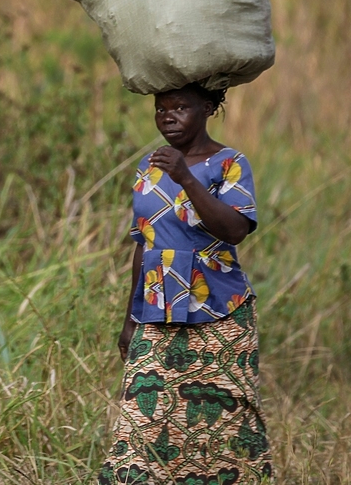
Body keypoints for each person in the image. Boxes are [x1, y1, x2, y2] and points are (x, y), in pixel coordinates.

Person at [99, 83, 271, 484]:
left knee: (225, 425)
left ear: (208, 108)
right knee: (141, 420)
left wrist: (186, 177)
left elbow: (234, 229)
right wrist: (130, 319)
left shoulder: (229, 163)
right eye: (161, 109)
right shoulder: (149, 166)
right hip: (156, 311)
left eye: (180, 108)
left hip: (221, 313)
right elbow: (144, 244)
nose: (168, 117)